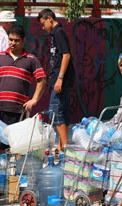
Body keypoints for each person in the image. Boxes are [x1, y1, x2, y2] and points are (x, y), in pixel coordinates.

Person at [0, 24, 46, 135]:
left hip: (20, 111)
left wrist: (34, 100)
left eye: (16, 40)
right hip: (0, 109)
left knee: (17, 146)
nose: (13, 43)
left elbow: (42, 80)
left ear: (23, 40)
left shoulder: (31, 59)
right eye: (11, 39)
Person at [37, 9, 75, 154]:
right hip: (58, 80)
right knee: (62, 113)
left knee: (55, 112)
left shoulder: (59, 32)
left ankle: (65, 149)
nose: (43, 28)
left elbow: (66, 55)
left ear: (49, 19)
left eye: (43, 24)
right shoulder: (55, 34)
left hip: (61, 81)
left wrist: (59, 78)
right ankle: (61, 146)